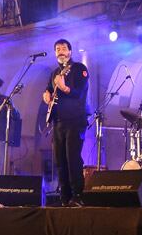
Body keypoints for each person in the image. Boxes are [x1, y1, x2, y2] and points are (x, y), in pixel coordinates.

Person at [42, 38, 88, 206]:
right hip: (58, 122)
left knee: (73, 159)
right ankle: (65, 197)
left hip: (75, 120)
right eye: (57, 49)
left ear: (70, 52)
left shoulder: (79, 69)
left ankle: (77, 196)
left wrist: (64, 88)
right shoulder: (54, 72)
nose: (60, 51)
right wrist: (46, 94)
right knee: (60, 161)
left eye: (63, 48)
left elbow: (79, 93)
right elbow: (48, 89)